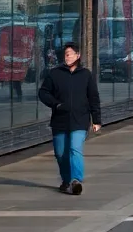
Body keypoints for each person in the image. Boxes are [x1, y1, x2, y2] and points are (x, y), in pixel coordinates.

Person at [37, 42, 101, 195]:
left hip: (80, 119)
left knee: (74, 148)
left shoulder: (86, 75)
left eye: (70, 54)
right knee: (61, 153)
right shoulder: (55, 73)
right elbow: (43, 93)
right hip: (60, 119)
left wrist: (96, 120)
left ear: (78, 55)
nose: (67, 57)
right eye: (66, 54)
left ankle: (76, 180)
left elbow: (93, 97)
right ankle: (66, 180)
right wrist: (56, 104)